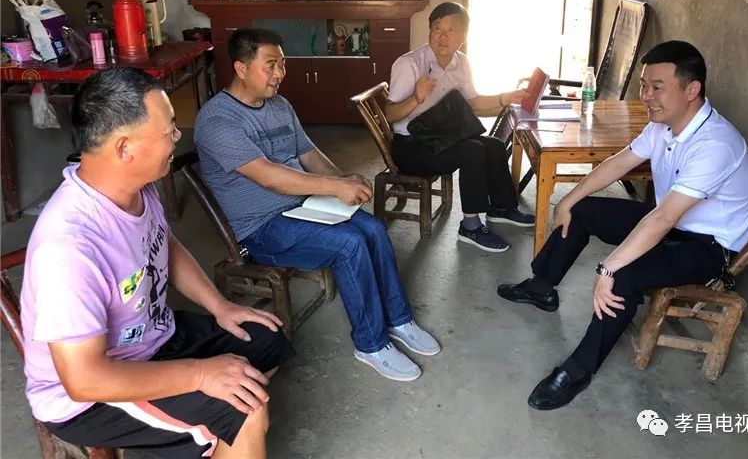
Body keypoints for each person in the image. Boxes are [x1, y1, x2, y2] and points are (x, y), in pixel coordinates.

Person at [20, 68, 294, 458]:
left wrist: (221, 306)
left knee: (265, 339)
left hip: (152, 337)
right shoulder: (68, 248)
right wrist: (201, 374)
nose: (177, 136)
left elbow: (163, 244)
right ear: (124, 148)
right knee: (245, 413)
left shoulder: (137, 187)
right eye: (168, 130)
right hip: (91, 393)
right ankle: (218, 433)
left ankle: (203, 435)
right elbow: (84, 380)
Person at [497, 40, 748, 410]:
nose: (646, 96)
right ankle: (542, 286)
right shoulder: (665, 125)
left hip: (708, 247)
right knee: (583, 210)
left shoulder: (715, 144)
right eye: (643, 85)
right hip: (672, 224)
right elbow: (619, 162)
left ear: (691, 89)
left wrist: (609, 267)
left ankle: (578, 370)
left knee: (621, 277)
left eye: (657, 87)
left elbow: (663, 218)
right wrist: (569, 200)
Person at [193, 28, 440, 383]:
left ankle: (399, 319)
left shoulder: (279, 106)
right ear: (241, 68)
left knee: (372, 228)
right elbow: (269, 177)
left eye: (282, 64)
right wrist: (334, 188)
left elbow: (308, 154)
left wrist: (343, 180)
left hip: (301, 206)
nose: (279, 73)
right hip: (261, 228)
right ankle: (370, 344)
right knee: (349, 244)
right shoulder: (217, 121)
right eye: (270, 65)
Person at [385, 1, 534, 253]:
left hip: (441, 137)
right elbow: (390, 114)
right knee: (472, 150)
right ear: (429, 31)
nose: (442, 36)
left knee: (494, 145)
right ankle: (470, 226)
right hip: (411, 146)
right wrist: (415, 98)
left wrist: (505, 97)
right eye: (437, 28)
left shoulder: (461, 62)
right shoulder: (409, 64)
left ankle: (501, 208)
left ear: (463, 38)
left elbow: (473, 102)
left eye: (451, 30)